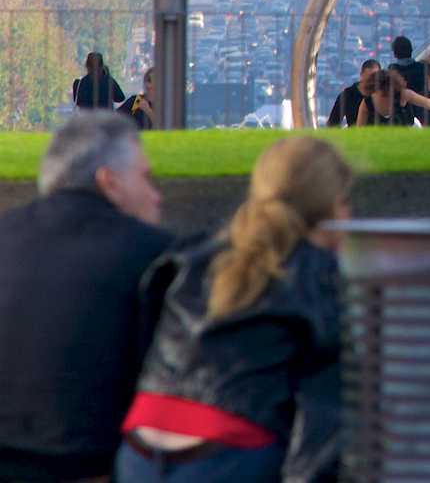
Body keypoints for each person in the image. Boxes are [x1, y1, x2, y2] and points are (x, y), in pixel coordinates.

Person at [116, 136, 354, 483]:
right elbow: (326, 421)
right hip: (227, 457)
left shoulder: (194, 254)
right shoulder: (322, 277)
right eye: (345, 200)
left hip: (137, 450)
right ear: (330, 207)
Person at [0, 113, 172, 483]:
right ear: (109, 182)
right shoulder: (155, 255)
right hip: (90, 467)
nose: (156, 196)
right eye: (146, 178)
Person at [356, 66, 430, 127]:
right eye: (381, 94)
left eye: (388, 94)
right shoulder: (367, 103)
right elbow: (359, 132)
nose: (384, 97)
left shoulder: (403, 95)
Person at [327, 59, 380, 127]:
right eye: (368, 77)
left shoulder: (382, 96)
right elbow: (333, 123)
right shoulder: (347, 96)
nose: (371, 81)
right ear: (361, 75)